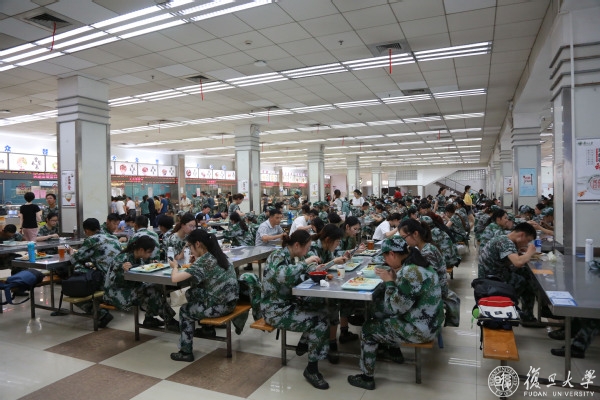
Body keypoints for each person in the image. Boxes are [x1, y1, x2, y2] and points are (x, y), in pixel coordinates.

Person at [347, 237, 443, 390]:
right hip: (431, 321)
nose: (385, 261)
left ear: (392, 254)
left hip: (421, 330)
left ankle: (366, 377)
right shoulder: (419, 263)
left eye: (385, 257)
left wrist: (389, 282)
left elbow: (395, 308)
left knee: (368, 329)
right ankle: (393, 351)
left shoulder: (410, 272)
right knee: (377, 310)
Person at [261, 230, 330, 389]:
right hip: (274, 310)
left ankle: (305, 343)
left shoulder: (291, 257)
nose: (308, 251)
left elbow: (295, 278)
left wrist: (312, 269)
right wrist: (305, 263)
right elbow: (283, 276)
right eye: (307, 247)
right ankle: (311, 369)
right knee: (321, 322)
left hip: (287, 303)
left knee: (321, 306)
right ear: (297, 245)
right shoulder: (277, 256)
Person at [168, 229, 239, 361]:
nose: (190, 250)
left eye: (190, 246)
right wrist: (196, 262)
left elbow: (175, 279)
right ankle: (207, 329)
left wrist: (175, 267)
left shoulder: (205, 260)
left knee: (185, 311)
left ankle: (185, 352)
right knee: (191, 293)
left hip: (221, 306)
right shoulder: (220, 255)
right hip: (231, 302)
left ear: (198, 244)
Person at [104, 235, 177, 329]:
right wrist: (122, 271)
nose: (150, 255)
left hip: (129, 288)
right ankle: (169, 321)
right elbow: (114, 281)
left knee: (156, 287)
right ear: (141, 250)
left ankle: (151, 318)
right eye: (149, 252)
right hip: (115, 292)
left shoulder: (138, 258)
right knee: (152, 291)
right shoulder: (123, 259)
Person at [478, 222, 538, 323]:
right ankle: (511, 309)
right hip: (492, 280)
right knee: (524, 281)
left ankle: (526, 314)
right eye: (528, 241)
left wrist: (518, 251)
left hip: (491, 274)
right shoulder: (506, 242)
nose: (526, 244)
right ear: (522, 235)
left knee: (526, 273)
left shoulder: (504, 238)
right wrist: (529, 253)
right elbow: (518, 263)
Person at [69, 218, 122, 327]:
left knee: (74, 289)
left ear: (87, 230)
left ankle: (101, 313)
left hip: (106, 281)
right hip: (119, 277)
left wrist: (71, 252)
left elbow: (74, 259)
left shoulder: (92, 240)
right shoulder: (113, 237)